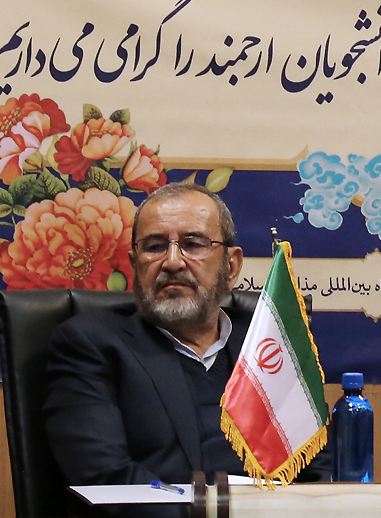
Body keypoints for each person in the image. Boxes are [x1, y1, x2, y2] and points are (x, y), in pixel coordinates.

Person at [44, 182, 330, 517]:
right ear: (135, 265)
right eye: (154, 247)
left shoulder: (267, 343)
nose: (172, 262)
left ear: (231, 266)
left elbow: (320, 468)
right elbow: (108, 479)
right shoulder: (92, 344)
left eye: (193, 244)